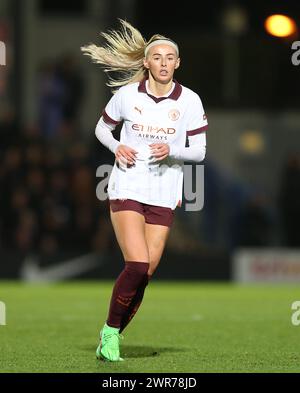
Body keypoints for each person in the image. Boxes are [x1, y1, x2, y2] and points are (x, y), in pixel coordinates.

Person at [81, 19, 208, 362]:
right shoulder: (126, 95)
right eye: (158, 57)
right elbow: (101, 129)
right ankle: (110, 334)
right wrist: (116, 147)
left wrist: (174, 150)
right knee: (136, 265)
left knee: (146, 274)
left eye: (170, 58)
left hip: (164, 193)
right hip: (127, 186)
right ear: (147, 63)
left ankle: (110, 337)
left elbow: (199, 151)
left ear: (177, 63)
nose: (164, 63)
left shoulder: (190, 101)